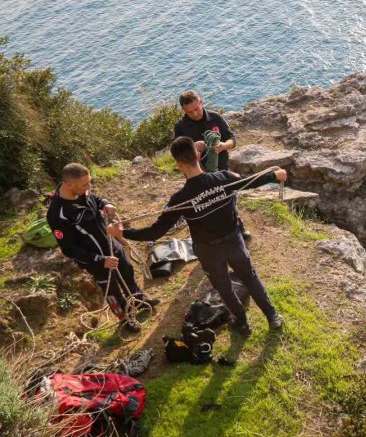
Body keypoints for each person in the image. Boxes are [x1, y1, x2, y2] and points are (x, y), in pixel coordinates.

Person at [108, 136, 287, 336]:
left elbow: (155, 232)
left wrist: (121, 233)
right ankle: (273, 317)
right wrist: (275, 175)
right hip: (234, 241)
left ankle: (242, 323)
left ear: (178, 164)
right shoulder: (224, 178)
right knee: (249, 277)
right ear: (199, 155)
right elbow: (250, 182)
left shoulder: (179, 199)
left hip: (208, 250)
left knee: (223, 287)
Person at [46, 163, 157, 333]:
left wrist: (106, 203)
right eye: (85, 184)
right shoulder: (58, 214)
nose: (88, 187)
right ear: (69, 185)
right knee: (111, 289)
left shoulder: (81, 190)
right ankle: (125, 318)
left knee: (127, 271)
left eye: (89, 182)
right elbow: (69, 249)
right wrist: (100, 260)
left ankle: (138, 300)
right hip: (96, 260)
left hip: (112, 245)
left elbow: (95, 199)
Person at [173, 89, 251, 239]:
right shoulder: (180, 127)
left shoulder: (216, 118)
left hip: (221, 167)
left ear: (201, 102)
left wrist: (223, 146)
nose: (195, 113)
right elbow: (177, 152)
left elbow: (232, 139)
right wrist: (193, 147)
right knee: (204, 204)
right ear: (183, 110)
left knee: (229, 197)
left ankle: (238, 227)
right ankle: (209, 233)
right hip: (197, 173)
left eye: (196, 108)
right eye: (190, 112)